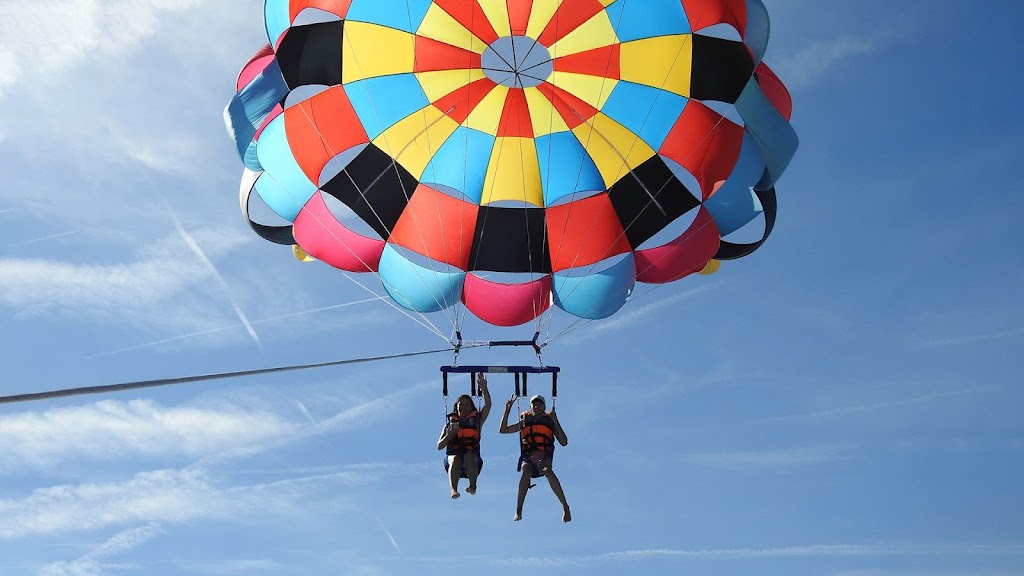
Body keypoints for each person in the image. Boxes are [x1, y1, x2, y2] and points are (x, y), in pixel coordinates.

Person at [499, 393, 570, 522]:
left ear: (544, 407)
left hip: (544, 456)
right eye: (534, 404)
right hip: (529, 457)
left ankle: (565, 507)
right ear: (530, 407)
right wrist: (507, 410)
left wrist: (556, 421)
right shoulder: (525, 421)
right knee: (526, 471)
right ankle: (518, 510)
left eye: (540, 404)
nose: (537, 406)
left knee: (546, 470)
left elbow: (564, 442)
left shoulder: (549, 421)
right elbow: (503, 430)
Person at [437, 373, 491, 499]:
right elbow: (439, 446)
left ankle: (473, 486)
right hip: (452, 457)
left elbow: (488, 405)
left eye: (467, 404)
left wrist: (484, 389)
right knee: (455, 459)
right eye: (461, 404)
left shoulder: (477, 421)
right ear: (456, 406)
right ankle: (453, 490)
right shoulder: (449, 424)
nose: (464, 407)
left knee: (470, 456)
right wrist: (449, 434)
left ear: (471, 407)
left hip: (472, 457)